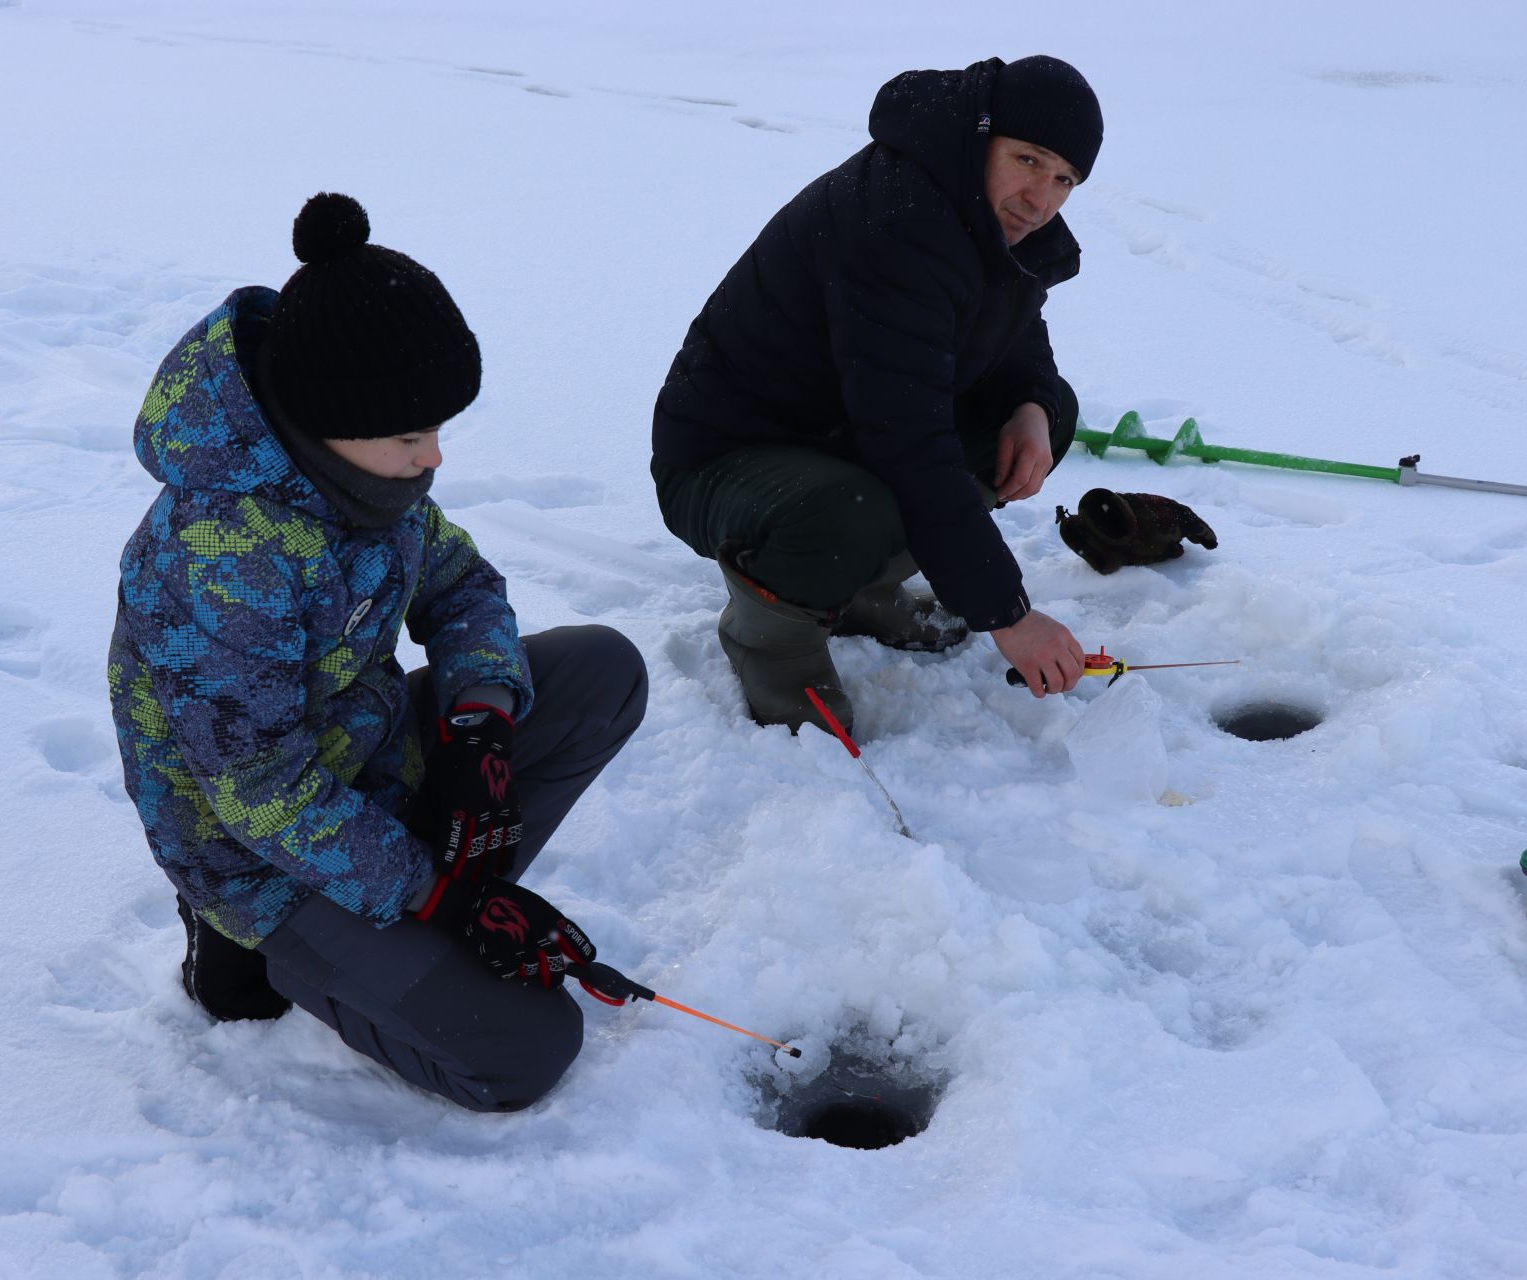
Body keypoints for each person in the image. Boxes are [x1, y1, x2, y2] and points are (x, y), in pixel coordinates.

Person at [107, 193, 648, 1113]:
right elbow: (258, 791)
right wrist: (444, 901)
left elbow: (463, 588)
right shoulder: (223, 554)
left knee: (602, 670)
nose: (433, 458)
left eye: (439, 430)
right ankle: (270, 949)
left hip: (368, 762)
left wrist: (480, 726)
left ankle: (436, 893)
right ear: (330, 419)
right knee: (524, 1050)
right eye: (412, 436)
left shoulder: (362, 481)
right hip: (259, 856)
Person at [650, 55, 1103, 734]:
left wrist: (1034, 404)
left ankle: (858, 592)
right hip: (725, 459)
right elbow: (908, 441)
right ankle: (771, 641)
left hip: (840, 433)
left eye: (1065, 179)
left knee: (1044, 415)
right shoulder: (897, 222)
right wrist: (1008, 614)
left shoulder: (985, 214)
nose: (1041, 199)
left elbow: (1015, 329)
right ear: (981, 136)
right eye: (1029, 160)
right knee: (849, 510)